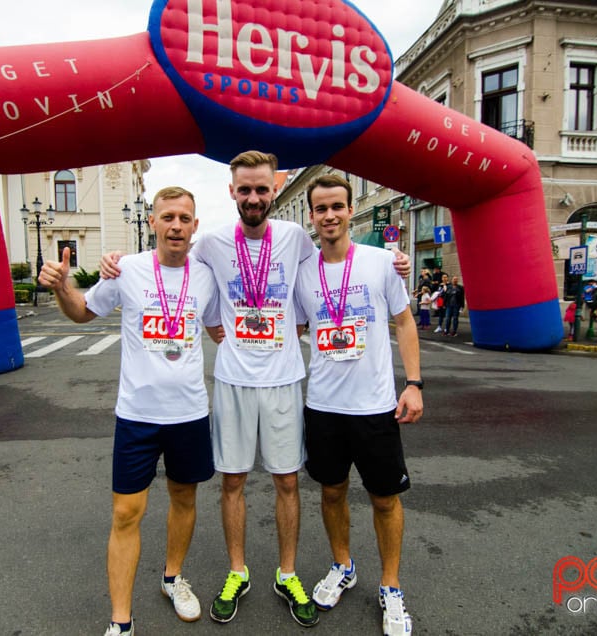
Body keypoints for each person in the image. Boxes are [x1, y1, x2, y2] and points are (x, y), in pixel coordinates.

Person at [100, 152, 413, 628]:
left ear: (273, 191)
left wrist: (394, 259)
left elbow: (333, 270)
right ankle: (236, 571)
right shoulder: (209, 244)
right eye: (244, 189)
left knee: (288, 481)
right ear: (232, 192)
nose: (253, 197)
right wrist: (118, 261)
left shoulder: (295, 239)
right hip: (232, 382)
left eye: (262, 189)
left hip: (286, 380)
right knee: (233, 482)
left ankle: (287, 573)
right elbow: (181, 280)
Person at [40, 187, 220, 636]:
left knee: (184, 499)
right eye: (167, 216)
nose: (176, 225)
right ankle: (121, 621)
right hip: (138, 415)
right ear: (153, 222)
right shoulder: (127, 270)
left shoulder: (207, 276)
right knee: (125, 513)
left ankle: (173, 577)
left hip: (190, 413)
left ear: (195, 226)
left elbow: (220, 328)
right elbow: (83, 313)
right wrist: (64, 287)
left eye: (184, 217)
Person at [294, 174, 423, 636]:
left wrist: (414, 384)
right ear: (312, 216)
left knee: (384, 499)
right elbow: (294, 329)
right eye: (320, 208)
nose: (329, 215)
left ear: (350, 211)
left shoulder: (383, 262)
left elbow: (405, 323)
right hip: (324, 405)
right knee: (331, 492)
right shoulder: (302, 271)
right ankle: (343, 566)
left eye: (337, 206)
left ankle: (390, 586)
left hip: (374, 406)